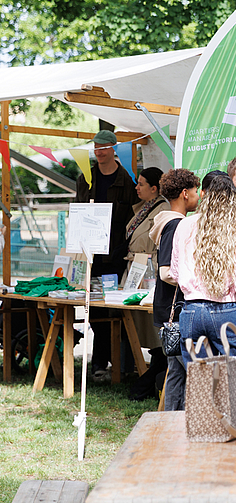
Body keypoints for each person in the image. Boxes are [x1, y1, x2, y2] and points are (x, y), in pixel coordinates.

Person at [170, 173, 236, 408]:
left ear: (202, 194)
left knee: (203, 387)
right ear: (233, 199)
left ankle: (206, 440)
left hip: (191, 312)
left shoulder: (184, 225)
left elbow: (175, 273)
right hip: (228, 310)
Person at [74, 129, 140, 379]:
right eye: (96, 147)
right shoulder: (86, 178)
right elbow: (78, 209)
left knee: (116, 309)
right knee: (94, 311)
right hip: (91, 255)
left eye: (103, 148)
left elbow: (131, 220)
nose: (99, 152)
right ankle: (100, 361)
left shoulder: (126, 181)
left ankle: (121, 362)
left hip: (115, 256)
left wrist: (122, 251)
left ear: (114, 148)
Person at [149, 167, 201, 411]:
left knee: (176, 372)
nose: (198, 195)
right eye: (195, 190)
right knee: (191, 370)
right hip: (176, 311)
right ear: (184, 193)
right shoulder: (175, 225)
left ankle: (170, 423)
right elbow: (166, 271)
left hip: (168, 309)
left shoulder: (168, 222)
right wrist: (197, 279)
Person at [122, 166, 169, 401]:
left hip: (150, 270)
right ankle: (149, 376)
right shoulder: (143, 209)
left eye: (141, 184)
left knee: (154, 329)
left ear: (154, 188)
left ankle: (152, 378)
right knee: (141, 326)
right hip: (137, 268)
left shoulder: (162, 210)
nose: (136, 187)